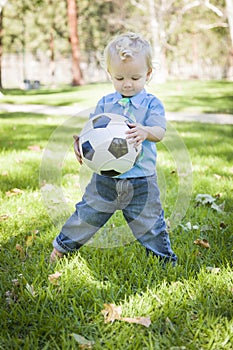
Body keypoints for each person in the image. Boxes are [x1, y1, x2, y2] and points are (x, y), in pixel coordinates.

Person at [50, 32, 177, 265]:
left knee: (151, 224)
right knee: (86, 216)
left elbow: (159, 132)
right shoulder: (105, 103)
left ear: (148, 74)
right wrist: (81, 144)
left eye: (135, 78)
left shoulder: (152, 104)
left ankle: (165, 260)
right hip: (104, 180)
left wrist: (145, 131)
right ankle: (61, 249)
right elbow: (92, 132)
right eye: (119, 78)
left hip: (141, 182)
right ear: (110, 74)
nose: (127, 84)